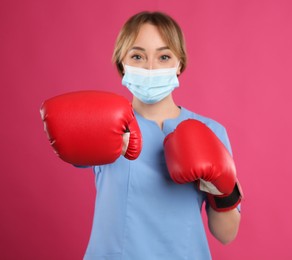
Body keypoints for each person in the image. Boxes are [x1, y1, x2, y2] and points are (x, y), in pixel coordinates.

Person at [41, 11, 242, 259]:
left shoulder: (210, 130)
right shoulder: (104, 124)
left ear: (179, 63)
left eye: (164, 56)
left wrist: (223, 189)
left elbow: (226, 234)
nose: (150, 67)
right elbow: (70, 144)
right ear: (121, 64)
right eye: (137, 56)